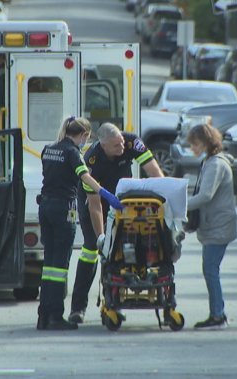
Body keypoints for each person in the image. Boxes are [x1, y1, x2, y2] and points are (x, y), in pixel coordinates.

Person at [68, 122, 164, 324]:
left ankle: (115, 300)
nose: (121, 148)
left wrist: (165, 199)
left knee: (123, 247)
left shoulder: (131, 141)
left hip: (122, 202)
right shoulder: (91, 161)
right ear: (103, 145)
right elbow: (95, 207)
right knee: (91, 250)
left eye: (121, 143)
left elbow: (154, 172)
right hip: (96, 203)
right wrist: (102, 238)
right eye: (116, 146)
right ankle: (78, 308)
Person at [37, 117, 123, 331]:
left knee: (48, 263)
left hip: (45, 208)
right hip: (63, 210)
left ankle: (43, 316)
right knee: (59, 266)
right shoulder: (72, 153)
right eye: (87, 138)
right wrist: (106, 194)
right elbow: (85, 177)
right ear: (84, 135)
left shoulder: (48, 149)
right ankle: (56, 316)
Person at [186, 123, 237, 330]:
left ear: (206, 143)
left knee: (210, 270)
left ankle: (218, 315)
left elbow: (206, 195)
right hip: (215, 225)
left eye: (195, 144)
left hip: (219, 226)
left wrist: (180, 205)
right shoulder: (210, 161)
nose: (193, 148)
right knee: (210, 269)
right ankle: (217, 313)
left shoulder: (215, 164)